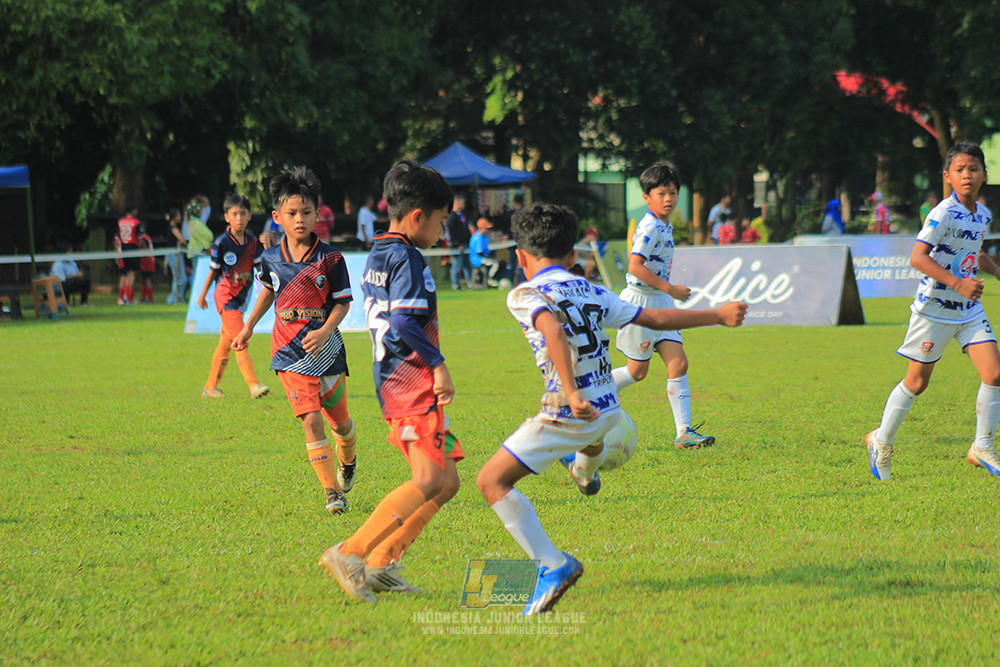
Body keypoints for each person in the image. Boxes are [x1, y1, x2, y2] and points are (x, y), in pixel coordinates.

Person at [476, 202, 747, 616]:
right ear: (573, 256)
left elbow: (552, 331)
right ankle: (585, 472)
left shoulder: (525, 294)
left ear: (520, 256)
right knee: (588, 445)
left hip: (571, 411)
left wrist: (570, 392)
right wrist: (718, 315)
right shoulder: (592, 290)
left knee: (491, 481)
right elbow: (656, 318)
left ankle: (553, 565)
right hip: (609, 408)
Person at [320, 161, 461, 602]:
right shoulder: (408, 258)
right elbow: (402, 320)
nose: (441, 230)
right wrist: (438, 364)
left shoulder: (379, 252)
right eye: (441, 221)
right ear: (418, 216)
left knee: (447, 480)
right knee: (428, 478)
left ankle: (382, 562)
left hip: (396, 383)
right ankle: (350, 552)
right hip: (411, 384)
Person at [865, 141, 1000, 479]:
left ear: (984, 174)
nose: (967, 175)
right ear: (947, 177)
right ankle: (881, 440)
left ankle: (982, 446)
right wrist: (958, 283)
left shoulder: (983, 214)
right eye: (959, 170)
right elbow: (917, 257)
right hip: (934, 309)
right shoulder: (942, 213)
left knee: (995, 374)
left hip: (968, 310)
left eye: (973, 169)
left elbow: (974, 251)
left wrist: (996, 272)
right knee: (916, 382)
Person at [232, 166, 359, 514]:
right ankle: (332, 492)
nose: (299, 219)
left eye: (306, 212)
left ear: (318, 214)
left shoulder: (330, 257)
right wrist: (247, 326)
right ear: (277, 217)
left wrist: (324, 331)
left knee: (340, 424)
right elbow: (268, 291)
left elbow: (343, 303)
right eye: (291, 213)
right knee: (311, 419)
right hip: (289, 349)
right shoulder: (271, 257)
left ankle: (348, 461)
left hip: (326, 348)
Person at [612, 161, 717, 449]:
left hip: (661, 303)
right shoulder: (649, 226)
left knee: (679, 363)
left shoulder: (665, 224)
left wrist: (667, 293)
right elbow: (635, 266)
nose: (668, 199)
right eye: (661, 193)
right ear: (647, 197)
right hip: (641, 304)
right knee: (637, 372)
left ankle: (684, 434)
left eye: (672, 193)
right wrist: (671, 288)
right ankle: (590, 393)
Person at [197, 192, 270, 400]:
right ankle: (253, 385)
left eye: (243, 213)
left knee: (225, 344)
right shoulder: (221, 243)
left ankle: (210, 387)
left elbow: (261, 269)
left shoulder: (253, 242)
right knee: (241, 339)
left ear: (249, 216)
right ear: (227, 217)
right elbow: (213, 271)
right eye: (235, 214)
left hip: (241, 299)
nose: (239, 218)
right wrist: (203, 295)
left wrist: (267, 248)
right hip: (226, 297)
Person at [116, 204, 142, 305]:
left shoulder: (120, 222)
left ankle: (121, 298)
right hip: (133, 248)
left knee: (124, 275)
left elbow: (116, 238)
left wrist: (117, 252)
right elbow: (140, 238)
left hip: (123, 248)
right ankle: (129, 299)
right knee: (132, 274)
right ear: (133, 210)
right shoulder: (136, 222)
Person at [446, 192, 472, 290]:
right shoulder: (451, 216)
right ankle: (456, 285)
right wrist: (456, 244)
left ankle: (470, 283)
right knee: (456, 265)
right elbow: (451, 232)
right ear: (456, 203)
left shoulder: (462, 215)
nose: (464, 204)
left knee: (466, 265)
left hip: (465, 244)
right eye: (462, 202)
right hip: (457, 245)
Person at [469, 217, 505, 287]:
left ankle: (496, 279)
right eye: (487, 229)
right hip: (478, 259)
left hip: (484, 257)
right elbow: (480, 253)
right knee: (495, 263)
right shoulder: (478, 237)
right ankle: (490, 279)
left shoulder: (484, 237)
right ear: (482, 228)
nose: (488, 231)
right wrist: (491, 258)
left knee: (502, 262)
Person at [165, 207, 189, 305]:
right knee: (180, 278)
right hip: (174, 255)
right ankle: (173, 299)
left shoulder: (172, 228)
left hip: (175, 255)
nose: (180, 217)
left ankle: (176, 299)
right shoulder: (173, 228)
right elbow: (182, 240)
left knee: (179, 278)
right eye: (178, 215)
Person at [137, 226, 156, 303]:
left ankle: (150, 299)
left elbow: (144, 246)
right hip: (148, 260)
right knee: (143, 279)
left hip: (147, 260)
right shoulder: (147, 237)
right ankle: (143, 298)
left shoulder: (142, 238)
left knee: (147, 279)